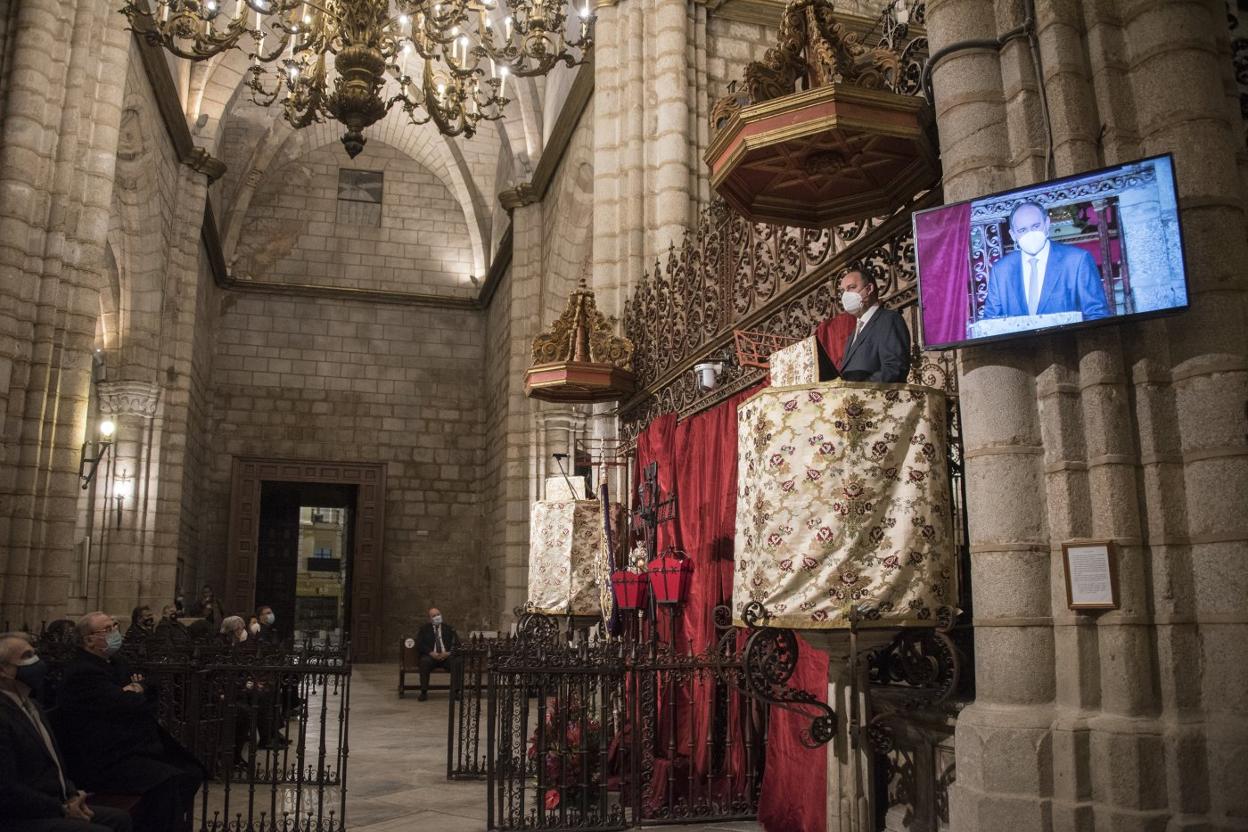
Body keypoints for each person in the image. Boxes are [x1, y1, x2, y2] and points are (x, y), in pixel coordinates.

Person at [53, 612, 202, 832]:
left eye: (115, 626)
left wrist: (137, 690)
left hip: (131, 746)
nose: (115, 632)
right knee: (168, 782)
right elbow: (127, 704)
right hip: (103, 757)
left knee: (191, 772)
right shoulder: (82, 671)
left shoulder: (117, 662)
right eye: (108, 629)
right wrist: (134, 693)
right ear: (89, 640)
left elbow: (149, 689)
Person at [0, 632, 134, 832]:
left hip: (54, 801)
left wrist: (72, 794)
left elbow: (54, 762)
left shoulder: (32, 705)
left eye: (35, 653)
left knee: (119, 819)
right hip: (20, 816)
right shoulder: (3, 715)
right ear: (3, 670)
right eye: (27, 656)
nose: (36, 661)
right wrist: (61, 808)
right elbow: (7, 789)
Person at [982, 200, 1111, 322]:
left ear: (1047, 224)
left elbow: (1097, 315)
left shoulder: (1077, 260)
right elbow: (990, 323)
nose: (1030, 234)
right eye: (1022, 230)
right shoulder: (1001, 271)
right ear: (1013, 235)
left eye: (1036, 226)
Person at [836, 269, 912, 383]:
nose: (846, 295)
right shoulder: (855, 331)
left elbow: (895, 368)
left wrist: (859, 389)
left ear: (869, 289)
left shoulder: (888, 320)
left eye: (851, 287)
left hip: (876, 394)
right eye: (843, 291)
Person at [414, 608, 459, 701]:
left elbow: (457, 644)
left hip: (446, 656)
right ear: (430, 619)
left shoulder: (449, 629)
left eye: (438, 614)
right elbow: (419, 644)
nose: (437, 617)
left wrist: (448, 653)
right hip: (431, 657)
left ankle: (456, 692)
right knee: (424, 662)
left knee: (456, 662)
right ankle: (423, 692)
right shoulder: (424, 629)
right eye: (434, 616)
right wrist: (430, 653)